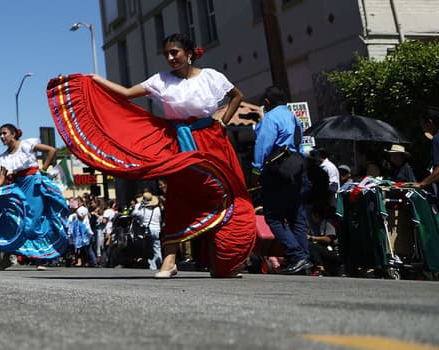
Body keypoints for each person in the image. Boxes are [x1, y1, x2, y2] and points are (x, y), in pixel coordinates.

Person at [47, 33, 256, 278]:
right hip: (179, 142)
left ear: (188, 53)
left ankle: (228, 258)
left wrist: (223, 121)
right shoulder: (161, 80)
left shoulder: (211, 76)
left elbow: (237, 96)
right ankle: (169, 261)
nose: (170, 58)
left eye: (174, 52)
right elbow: (125, 94)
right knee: (179, 198)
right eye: (166, 54)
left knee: (222, 195)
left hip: (212, 141)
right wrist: (96, 80)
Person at [0, 123, 67, 269]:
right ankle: (7, 258)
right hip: (18, 188)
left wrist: (44, 169)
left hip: (33, 184)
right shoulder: (5, 157)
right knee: (14, 221)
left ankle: (40, 259)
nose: (2, 136)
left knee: (33, 222)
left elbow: (51, 150)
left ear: (13, 134)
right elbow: (1, 178)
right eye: (0, 134)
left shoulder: (26, 145)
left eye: (4, 133)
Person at [252, 85, 312, 275]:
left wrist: (256, 171)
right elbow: (299, 145)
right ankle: (305, 258)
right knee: (296, 218)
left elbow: (263, 146)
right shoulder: (294, 118)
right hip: (297, 169)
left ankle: (297, 256)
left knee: (273, 217)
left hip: (277, 172)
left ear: (267, 102)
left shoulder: (271, 118)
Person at [306, 203, 341, 277]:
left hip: (334, 252)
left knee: (311, 246)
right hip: (327, 251)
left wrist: (312, 238)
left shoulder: (327, 223)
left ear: (316, 215)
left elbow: (328, 239)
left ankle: (319, 267)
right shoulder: (317, 225)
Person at [132, 189, 163, 270]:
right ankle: (159, 264)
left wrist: (139, 207)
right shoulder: (157, 209)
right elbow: (159, 219)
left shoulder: (142, 209)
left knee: (148, 248)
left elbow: (135, 214)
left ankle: (152, 266)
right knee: (157, 247)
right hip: (157, 229)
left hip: (147, 230)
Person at [415, 108, 439, 196]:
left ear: (430, 122)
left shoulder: (436, 139)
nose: (421, 126)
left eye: (422, 122)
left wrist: (422, 183)